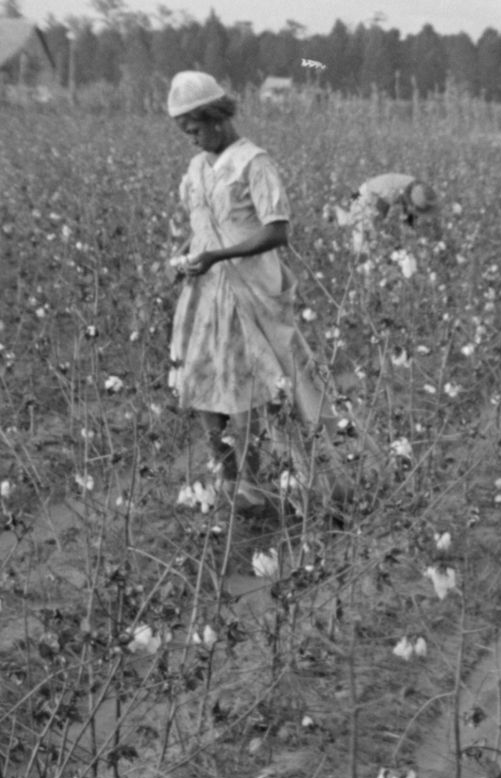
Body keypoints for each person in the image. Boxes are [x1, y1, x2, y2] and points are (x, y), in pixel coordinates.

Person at [164, 71, 324, 511]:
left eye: (195, 130)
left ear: (215, 118)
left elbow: (277, 232)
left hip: (249, 291)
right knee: (201, 382)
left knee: (251, 387)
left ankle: (263, 481)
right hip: (204, 295)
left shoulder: (254, 163)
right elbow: (201, 226)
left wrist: (218, 255)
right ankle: (229, 478)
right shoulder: (197, 168)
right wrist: (189, 254)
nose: (192, 140)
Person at [331, 172, 438, 252]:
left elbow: (409, 211)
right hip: (368, 196)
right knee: (362, 239)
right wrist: (386, 232)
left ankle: (344, 219)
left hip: (375, 193)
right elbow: (382, 209)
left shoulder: (418, 190)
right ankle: (342, 219)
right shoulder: (393, 193)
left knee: (375, 233)